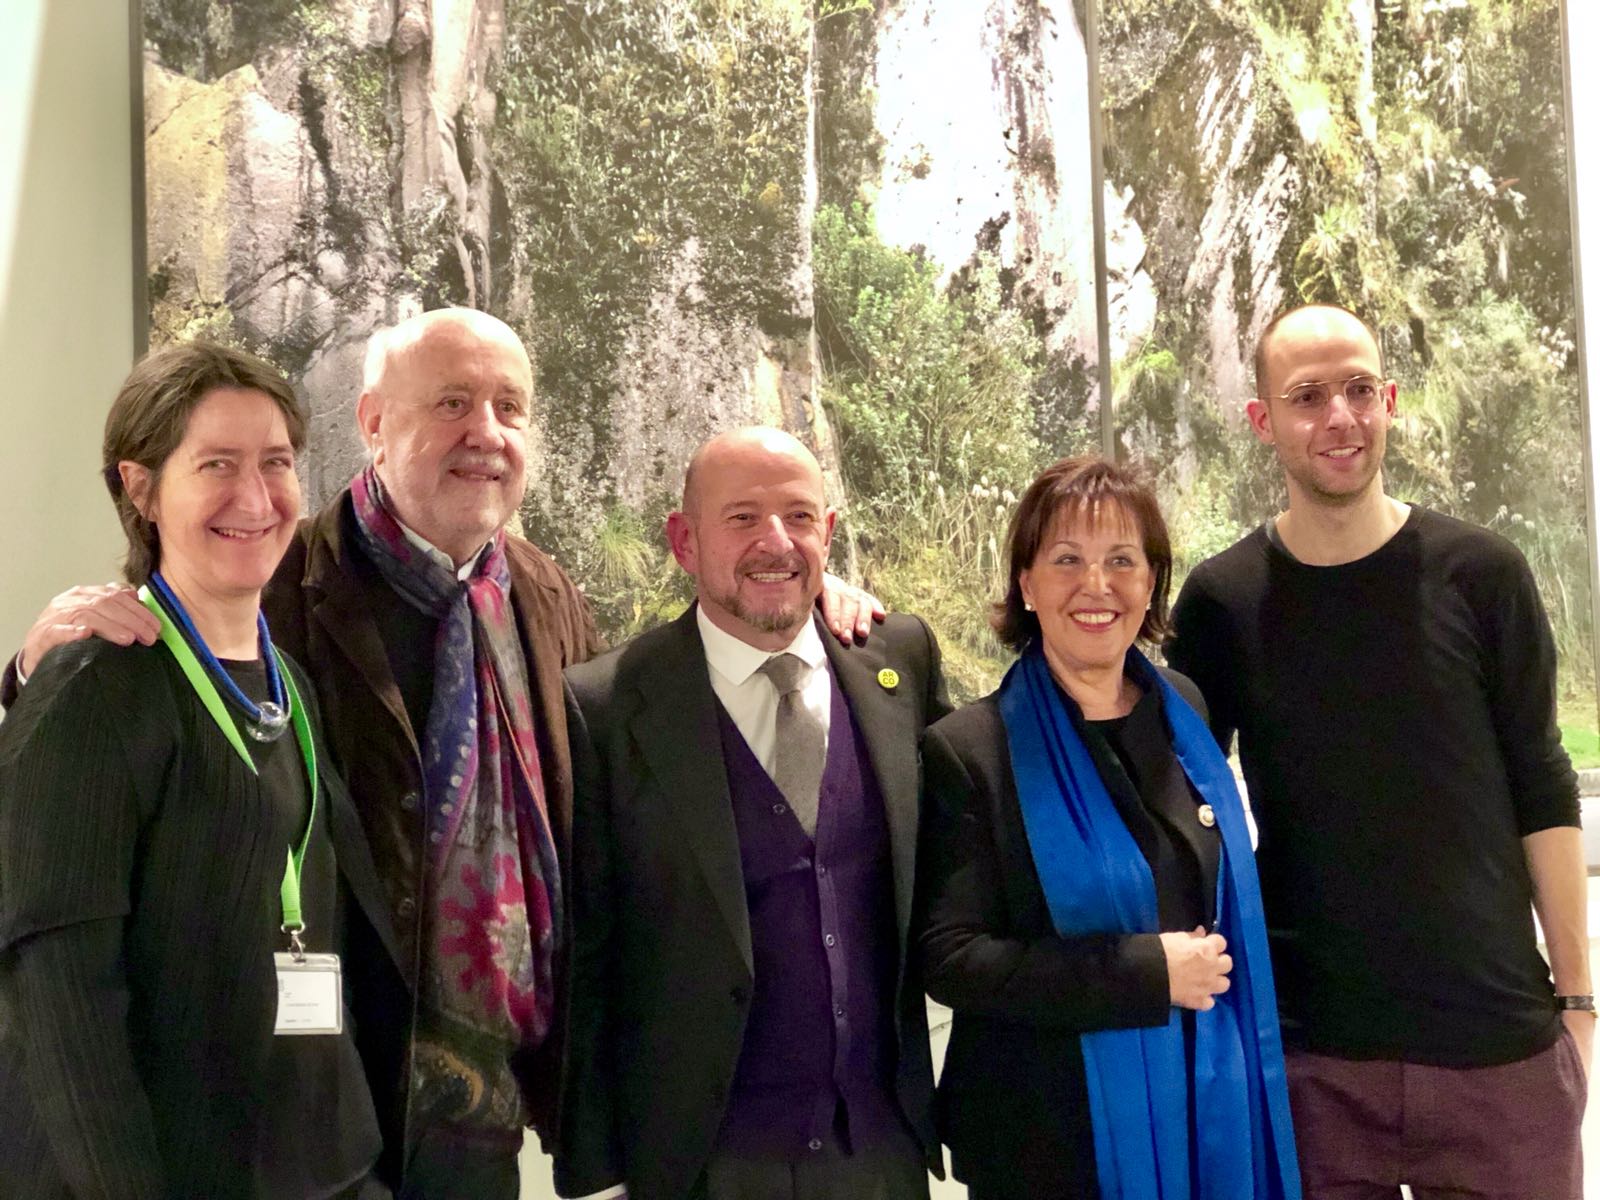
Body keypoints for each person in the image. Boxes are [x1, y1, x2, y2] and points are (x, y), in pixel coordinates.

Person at [4, 308, 883, 1200]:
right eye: (454, 403)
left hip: (488, 1109)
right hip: (307, 1098)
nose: (486, 434)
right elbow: (118, 765)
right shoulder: (280, 584)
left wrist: (798, 605)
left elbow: (644, 746)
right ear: (374, 424)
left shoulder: (540, 592)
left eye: (510, 407)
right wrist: (28, 669)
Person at [1167, 303, 1589, 1198]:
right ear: (1263, 421)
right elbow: (1178, 804)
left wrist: (1579, 1001)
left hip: (1496, 1044)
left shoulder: (1483, 575)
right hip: (1315, 1056)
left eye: (1360, 390)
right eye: (1308, 397)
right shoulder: (1222, 602)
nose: (1340, 419)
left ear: (1389, 398)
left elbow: (1542, 787)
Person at [0, 342, 394, 1197]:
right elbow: (61, 1001)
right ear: (139, 489)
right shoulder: (93, 691)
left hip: (314, 1166)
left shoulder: (287, 684)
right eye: (216, 464)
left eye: (276, 463)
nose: (255, 498)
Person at [557, 427, 950, 1200]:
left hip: (879, 1151)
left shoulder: (899, 660)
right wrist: (598, 1172)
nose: (776, 542)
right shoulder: (605, 706)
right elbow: (588, 955)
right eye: (742, 518)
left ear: (828, 535)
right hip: (703, 1161)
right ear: (684, 540)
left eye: (799, 517)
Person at [917, 455, 1301, 1199]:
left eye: (1122, 560)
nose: (1097, 586)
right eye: (1067, 560)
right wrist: (1144, 972)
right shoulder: (971, 750)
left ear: (1151, 581)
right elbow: (952, 958)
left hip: (1204, 1101)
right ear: (1026, 584)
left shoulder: (1183, 709)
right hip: (1048, 1136)